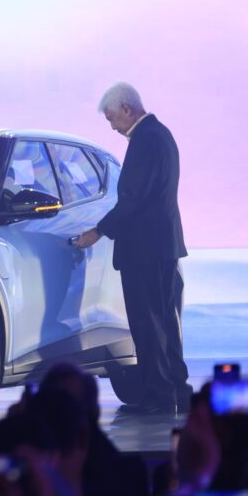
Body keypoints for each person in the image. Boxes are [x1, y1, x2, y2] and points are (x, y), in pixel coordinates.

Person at [74, 82, 190, 413]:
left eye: (112, 118)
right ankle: (176, 390)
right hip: (162, 245)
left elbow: (133, 198)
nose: (112, 126)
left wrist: (99, 230)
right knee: (165, 322)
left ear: (126, 109)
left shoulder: (145, 139)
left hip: (144, 248)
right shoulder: (160, 134)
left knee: (148, 324)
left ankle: (158, 394)